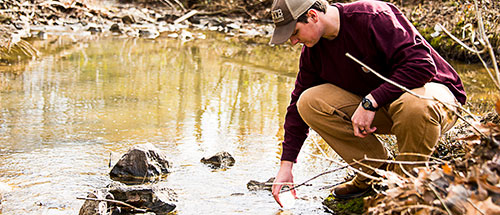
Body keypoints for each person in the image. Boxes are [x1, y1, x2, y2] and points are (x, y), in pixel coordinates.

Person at [268, 0, 466, 207]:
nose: (292, 41)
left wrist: (371, 101)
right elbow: (295, 108)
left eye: (295, 32)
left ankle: (405, 182)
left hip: (434, 96)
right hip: (386, 107)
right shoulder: (313, 51)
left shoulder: (372, 16)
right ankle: (374, 172)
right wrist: (286, 164)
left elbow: (422, 66)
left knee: (415, 105)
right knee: (307, 102)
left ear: (313, 16)